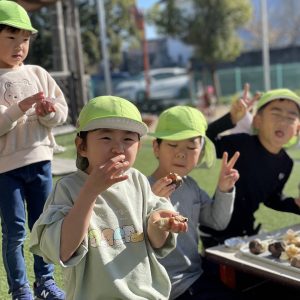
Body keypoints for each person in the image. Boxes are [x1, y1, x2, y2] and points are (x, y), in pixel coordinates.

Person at [30, 96, 188, 300]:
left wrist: (160, 225)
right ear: (82, 146)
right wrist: (91, 191)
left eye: (128, 139)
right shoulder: (68, 188)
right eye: (106, 138)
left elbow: (156, 242)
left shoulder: (138, 181)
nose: (118, 148)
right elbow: (63, 251)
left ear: (138, 147)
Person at [0, 1, 68, 299]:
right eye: (11, 38)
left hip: (41, 161)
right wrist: (21, 107)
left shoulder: (39, 73)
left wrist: (48, 112)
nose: (19, 46)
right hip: (5, 170)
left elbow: (62, 113)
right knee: (15, 231)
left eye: (25, 39)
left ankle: (46, 282)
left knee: (43, 225)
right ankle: (20, 289)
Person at [147, 105, 240, 300]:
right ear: (156, 147)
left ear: (200, 152)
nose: (182, 153)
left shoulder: (191, 187)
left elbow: (216, 221)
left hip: (195, 277)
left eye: (191, 147)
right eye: (173, 145)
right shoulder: (142, 189)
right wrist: (154, 203)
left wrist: (224, 189)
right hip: (165, 288)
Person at [200, 88, 300, 249]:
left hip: (247, 232)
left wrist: (295, 204)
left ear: (297, 130)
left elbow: (272, 198)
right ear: (257, 121)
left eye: (291, 118)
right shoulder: (241, 144)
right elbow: (205, 141)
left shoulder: (286, 163)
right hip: (216, 232)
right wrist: (231, 118)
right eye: (276, 114)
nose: (283, 122)